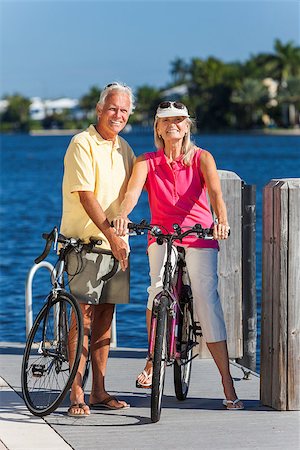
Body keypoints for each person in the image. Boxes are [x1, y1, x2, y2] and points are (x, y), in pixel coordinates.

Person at [113, 101, 244, 410]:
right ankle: (151, 359)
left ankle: (226, 380)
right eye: (165, 120)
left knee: (204, 298)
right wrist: (121, 216)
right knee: (156, 290)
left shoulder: (202, 158)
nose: (173, 124)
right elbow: (132, 194)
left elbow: (215, 195)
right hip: (162, 234)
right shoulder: (146, 162)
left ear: (188, 126)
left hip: (198, 236)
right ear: (157, 128)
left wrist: (220, 222)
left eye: (179, 120)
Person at [60, 82, 135, 417]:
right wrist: (112, 234)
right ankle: (76, 390)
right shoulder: (82, 143)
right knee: (82, 316)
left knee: (105, 319)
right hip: (84, 244)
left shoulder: (126, 150)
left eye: (124, 110)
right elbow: (86, 195)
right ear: (99, 109)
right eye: (112, 108)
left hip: (117, 247)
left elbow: (135, 191)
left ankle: (99, 390)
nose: (117, 114)